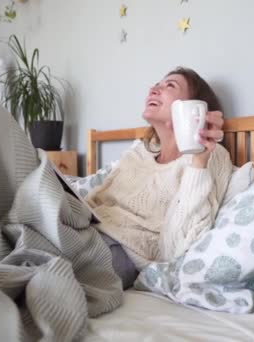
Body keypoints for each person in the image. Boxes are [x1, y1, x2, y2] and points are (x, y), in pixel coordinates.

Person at [80, 67, 233, 288]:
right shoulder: (138, 152)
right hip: (85, 230)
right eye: (157, 84)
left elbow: (176, 249)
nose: (154, 89)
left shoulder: (211, 157)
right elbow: (93, 204)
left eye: (169, 85)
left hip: (121, 249)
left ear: (193, 107)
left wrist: (198, 162)